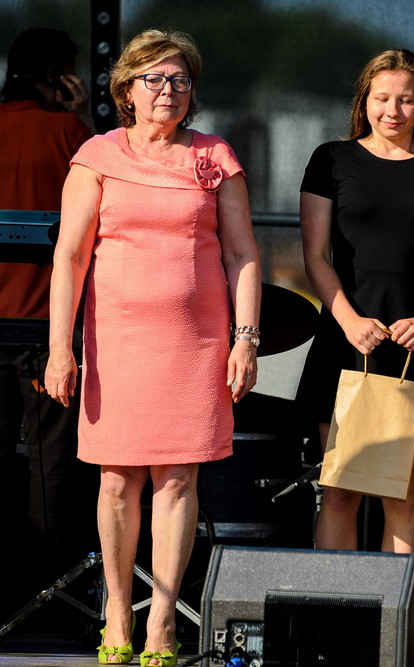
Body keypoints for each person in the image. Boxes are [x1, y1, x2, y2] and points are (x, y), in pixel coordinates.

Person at [44, 29, 261, 667]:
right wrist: (62, 348)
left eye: (180, 81)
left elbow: (244, 254)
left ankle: (161, 622)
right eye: (155, 80)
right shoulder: (96, 155)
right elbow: (70, 257)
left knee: (177, 479)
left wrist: (245, 339)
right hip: (115, 343)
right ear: (127, 91)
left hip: (195, 343)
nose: (168, 91)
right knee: (116, 481)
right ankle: (117, 613)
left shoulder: (214, 155)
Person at [297, 49, 414, 554]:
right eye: (382, 98)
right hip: (346, 341)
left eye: (406, 100)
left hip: (413, 346)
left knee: (404, 496)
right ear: (364, 101)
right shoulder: (331, 159)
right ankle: (330, 622)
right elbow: (316, 256)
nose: (393, 110)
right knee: (340, 493)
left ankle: (395, 626)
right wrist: (347, 321)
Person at [0, 27, 94, 615]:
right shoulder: (68, 134)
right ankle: (46, 595)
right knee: (48, 467)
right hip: (43, 327)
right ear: (57, 76)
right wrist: (78, 116)